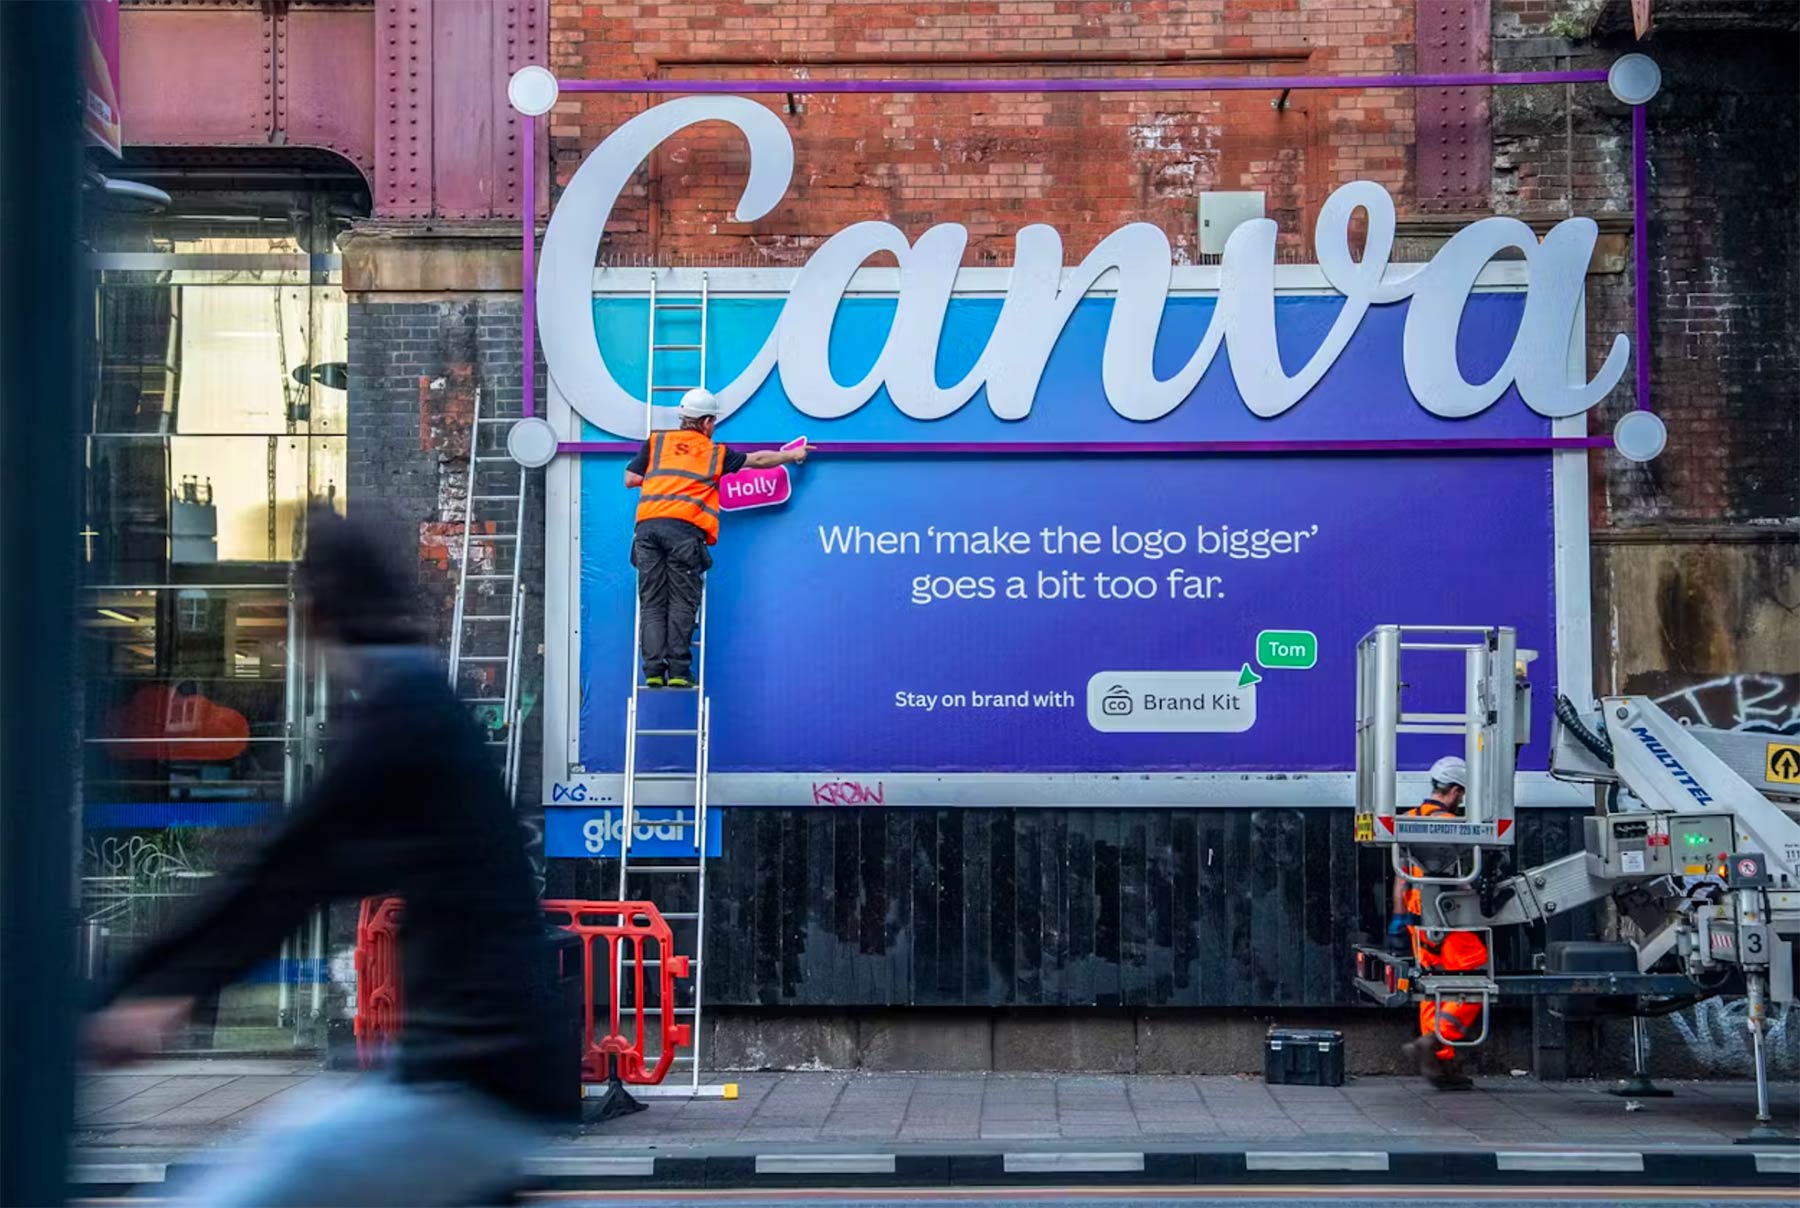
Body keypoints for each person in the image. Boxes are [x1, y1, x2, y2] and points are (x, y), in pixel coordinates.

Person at [84, 508, 563, 1207]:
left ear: (317, 610)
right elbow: (298, 871)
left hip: (470, 1083)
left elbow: (286, 872)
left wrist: (152, 990)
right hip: (483, 1072)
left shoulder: (401, 718)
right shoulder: (418, 702)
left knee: (230, 1194)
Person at [625, 387, 810, 687]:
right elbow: (759, 460)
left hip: (647, 529)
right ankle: (679, 673)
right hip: (683, 531)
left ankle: (654, 671)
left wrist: (665, 478)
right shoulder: (714, 453)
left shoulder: (657, 442)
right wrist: (793, 454)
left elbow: (631, 478)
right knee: (682, 601)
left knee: (653, 602)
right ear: (707, 422)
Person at [1391, 754, 1490, 1092]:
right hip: (1447, 920)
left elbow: (1401, 880)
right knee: (1474, 981)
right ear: (1455, 790)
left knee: (1433, 987)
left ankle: (1439, 1063)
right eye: (1462, 793)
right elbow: (1462, 880)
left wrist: (1398, 920)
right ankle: (1434, 1042)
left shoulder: (1408, 820)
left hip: (1417, 922)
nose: (1461, 799)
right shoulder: (1450, 825)